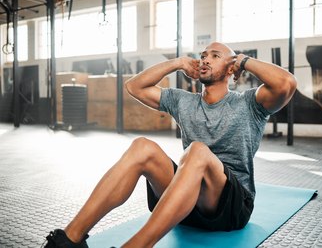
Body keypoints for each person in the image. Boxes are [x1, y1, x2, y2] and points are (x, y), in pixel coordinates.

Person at [43, 42, 297, 248]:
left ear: (231, 70)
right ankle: (69, 239)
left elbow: (286, 84)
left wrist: (242, 60)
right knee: (142, 146)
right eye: (203, 55)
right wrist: (177, 63)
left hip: (230, 207)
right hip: (185, 204)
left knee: (197, 150)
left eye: (216, 56)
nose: (205, 59)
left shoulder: (249, 104)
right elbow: (134, 86)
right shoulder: (182, 101)